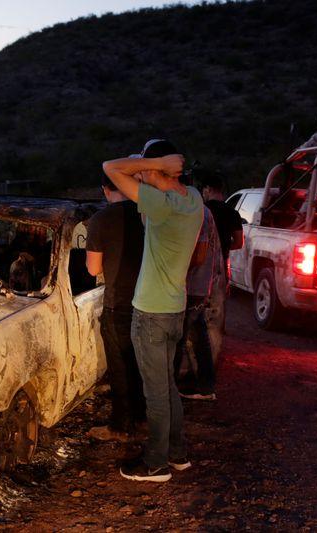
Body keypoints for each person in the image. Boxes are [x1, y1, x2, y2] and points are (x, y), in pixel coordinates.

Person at [103, 139, 202, 483]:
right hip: (174, 309)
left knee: (155, 393)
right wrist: (154, 167)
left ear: (157, 168)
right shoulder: (192, 199)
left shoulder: (161, 206)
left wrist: (155, 164)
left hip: (151, 313)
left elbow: (110, 168)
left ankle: (156, 463)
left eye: (146, 166)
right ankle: (177, 453)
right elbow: (129, 173)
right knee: (168, 387)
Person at [85, 174, 146, 442]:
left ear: (105, 189)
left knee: (120, 366)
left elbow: (93, 269)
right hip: (148, 301)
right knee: (141, 364)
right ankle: (142, 417)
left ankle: (121, 426)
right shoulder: (147, 214)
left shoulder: (100, 219)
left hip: (118, 302)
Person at [175, 205, 222, 401]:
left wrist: (174, 269)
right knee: (197, 334)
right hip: (199, 285)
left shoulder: (195, 211)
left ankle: (172, 389)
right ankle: (205, 385)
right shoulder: (203, 211)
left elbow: (199, 255)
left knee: (179, 337)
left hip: (192, 285)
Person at [198, 171, 241, 355]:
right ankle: (214, 357)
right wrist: (223, 246)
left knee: (197, 311)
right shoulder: (232, 213)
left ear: (207, 189)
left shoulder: (201, 210)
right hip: (220, 267)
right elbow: (239, 243)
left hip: (199, 265)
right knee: (217, 311)